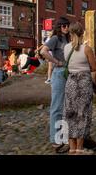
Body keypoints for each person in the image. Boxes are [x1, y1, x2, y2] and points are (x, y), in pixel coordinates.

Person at [63, 22, 96, 155]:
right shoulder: (86, 49)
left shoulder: (66, 48)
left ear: (70, 33)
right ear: (82, 33)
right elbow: (94, 68)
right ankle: (79, 148)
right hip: (84, 82)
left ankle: (71, 148)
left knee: (70, 113)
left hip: (71, 82)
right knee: (83, 114)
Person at [40, 17, 71, 153]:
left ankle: (63, 136)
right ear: (59, 26)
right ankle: (55, 139)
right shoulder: (55, 39)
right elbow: (43, 51)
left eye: (67, 25)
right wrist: (56, 62)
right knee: (57, 107)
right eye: (63, 25)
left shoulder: (67, 39)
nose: (66, 28)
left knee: (65, 108)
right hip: (59, 73)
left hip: (67, 73)